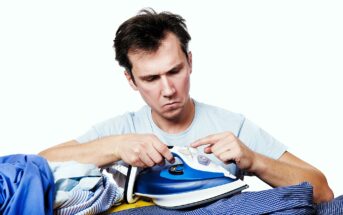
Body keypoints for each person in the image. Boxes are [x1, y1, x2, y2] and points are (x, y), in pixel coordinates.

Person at [39, 8, 333, 203]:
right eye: (151, 78)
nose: (168, 89)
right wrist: (116, 148)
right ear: (131, 80)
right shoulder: (122, 130)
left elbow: (323, 192)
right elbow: (37, 167)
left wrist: (255, 160)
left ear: (190, 63)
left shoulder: (232, 127)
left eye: (175, 71)